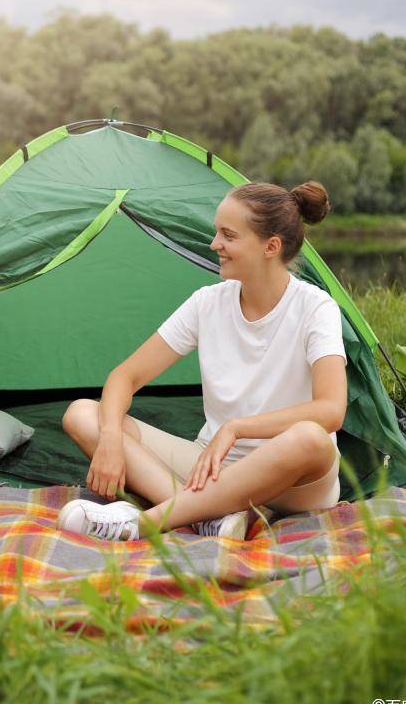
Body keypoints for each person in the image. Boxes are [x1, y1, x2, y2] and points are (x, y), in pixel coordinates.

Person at [57, 181, 347, 542]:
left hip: (294, 481)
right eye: (216, 232)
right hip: (210, 466)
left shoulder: (316, 308)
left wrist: (237, 428)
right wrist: (112, 438)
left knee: (310, 437)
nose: (214, 245)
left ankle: (145, 523)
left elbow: (331, 410)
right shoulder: (207, 303)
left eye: (228, 235)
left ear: (270, 247)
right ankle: (210, 518)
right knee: (84, 414)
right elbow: (125, 376)